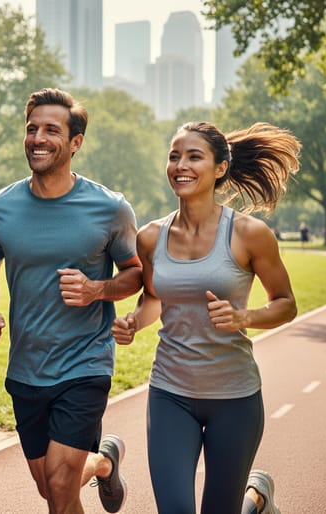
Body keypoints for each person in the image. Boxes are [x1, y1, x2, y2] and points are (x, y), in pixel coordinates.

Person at [112, 121, 300, 514]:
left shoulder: (249, 234)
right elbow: (153, 299)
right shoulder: (150, 237)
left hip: (234, 398)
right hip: (170, 393)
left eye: (194, 156)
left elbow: (285, 303)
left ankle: (256, 499)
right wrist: (133, 322)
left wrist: (243, 315)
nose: (181, 164)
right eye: (174, 156)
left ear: (220, 168)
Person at [0, 88, 143, 514]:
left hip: (85, 363)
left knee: (62, 482)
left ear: (75, 143)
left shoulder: (110, 208)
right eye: (32, 129)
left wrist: (97, 290)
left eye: (51, 129)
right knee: (51, 487)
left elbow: (136, 273)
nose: (38, 138)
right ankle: (104, 462)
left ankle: (94, 462)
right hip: (27, 368)